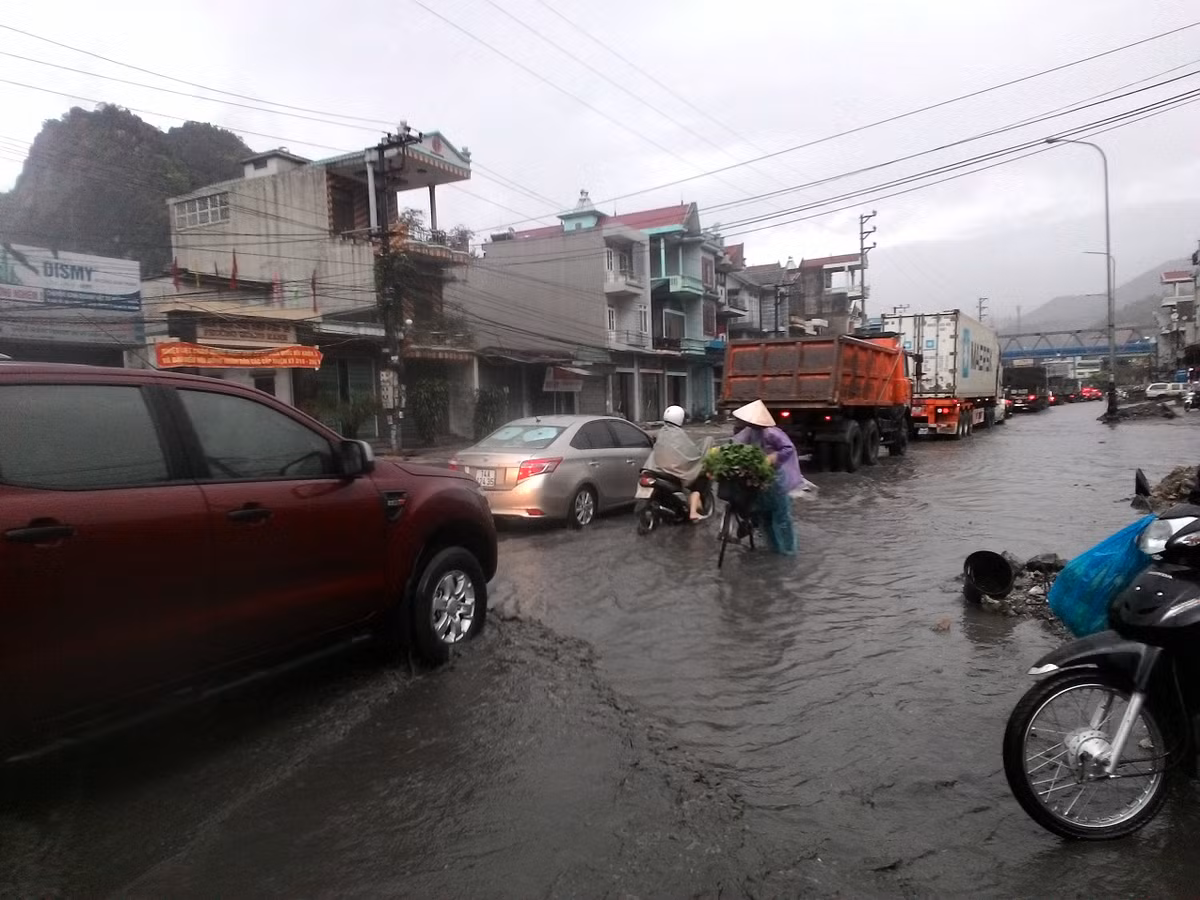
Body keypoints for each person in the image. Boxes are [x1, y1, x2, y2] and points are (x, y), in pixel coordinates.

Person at [731, 399, 801, 556]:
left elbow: (788, 448)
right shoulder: (749, 432)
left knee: (782, 518)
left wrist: (773, 457)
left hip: (776, 480)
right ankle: (775, 550)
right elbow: (734, 446)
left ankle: (788, 552)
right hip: (760, 480)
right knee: (766, 517)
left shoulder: (772, 432)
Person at [646, 405, 710, 521]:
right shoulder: (679, 435)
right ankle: (693, 512)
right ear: (680, 418)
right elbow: (692, 453)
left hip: (659, 469)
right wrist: (700, 459)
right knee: (699, 481)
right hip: (675, 470)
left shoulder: (661, 432)